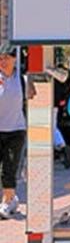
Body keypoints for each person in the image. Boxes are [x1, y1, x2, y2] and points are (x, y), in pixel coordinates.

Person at [0, 48, 29, 219]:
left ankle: (7, 201)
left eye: (6, 58)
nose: (3, 62)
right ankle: (12, 199)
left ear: (14, 60)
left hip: (16, 130)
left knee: (9, 168)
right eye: (0, 58)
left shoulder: (23, 79)